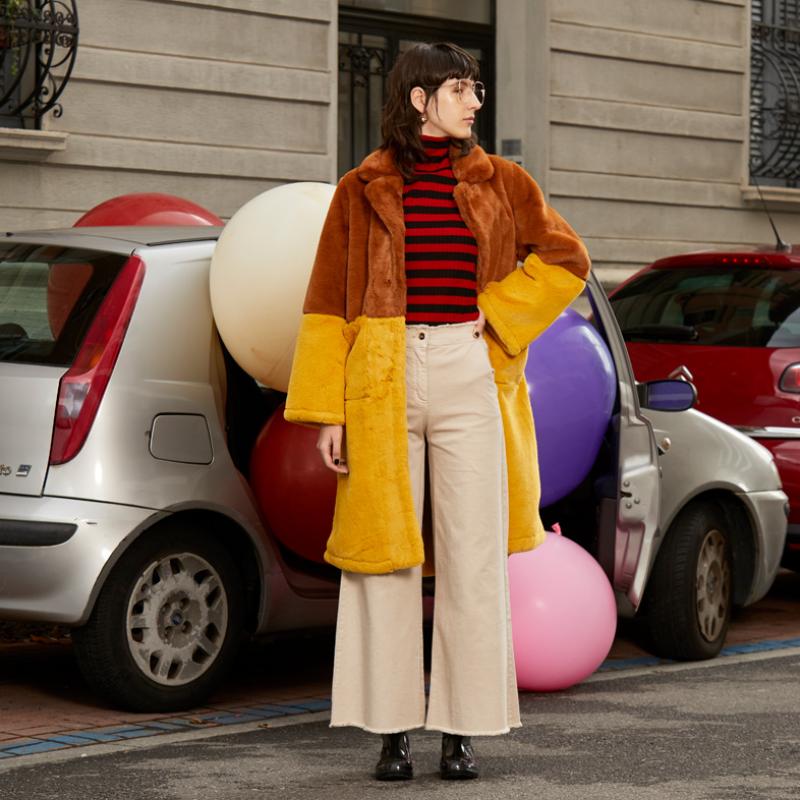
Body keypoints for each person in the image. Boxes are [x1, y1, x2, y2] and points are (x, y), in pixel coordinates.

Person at [284, 41, 591, 781]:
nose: (475, 101)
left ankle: (462, 729)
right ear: (419, 99)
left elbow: (567, 260)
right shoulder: (361, 187)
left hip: (467, 368)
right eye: (460, 88)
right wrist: (329, 411)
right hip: (381, 377)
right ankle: (390, 731)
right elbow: (326, 304)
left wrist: (500, 314)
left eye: (476, 88)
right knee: (385, 555)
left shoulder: (503, 181)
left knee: (472, 556)